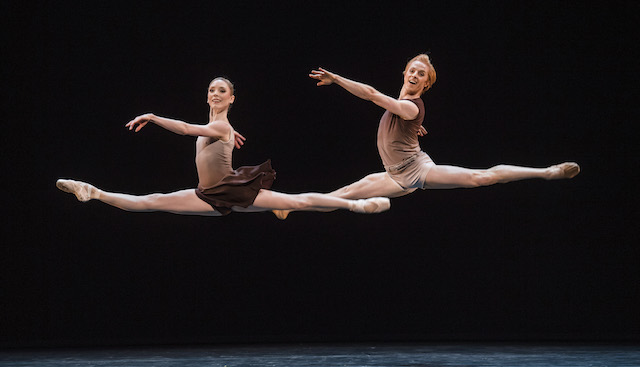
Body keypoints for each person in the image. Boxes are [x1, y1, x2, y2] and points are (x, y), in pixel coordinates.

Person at [273, 54, 579, 219]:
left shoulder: (409, 106)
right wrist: (413, 127)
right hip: (393, 176)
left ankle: (547, 172)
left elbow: (370, 94)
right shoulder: (406, 110)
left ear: (426, 84)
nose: (416, 75)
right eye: (413, 70)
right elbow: (398, 123)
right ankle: (287, 205)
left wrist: (336, 78)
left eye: (422, 74)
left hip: (418, 169)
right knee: (341, 195)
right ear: (404, 73)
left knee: (480, 178)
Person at [56, 77, 390, 216]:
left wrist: (155, 117)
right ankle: (93, 192)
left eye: (222, 91)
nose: (215, 93)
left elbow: (188, 129)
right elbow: (206, 133)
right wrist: (228, 137)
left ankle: (355, 207)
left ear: (232, 98)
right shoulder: (220, 128)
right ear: (207, 96)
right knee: (152, 202)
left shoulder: (220, 125)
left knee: (299, 200)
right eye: (212, 90)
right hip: (207, 193)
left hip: (234, 190)